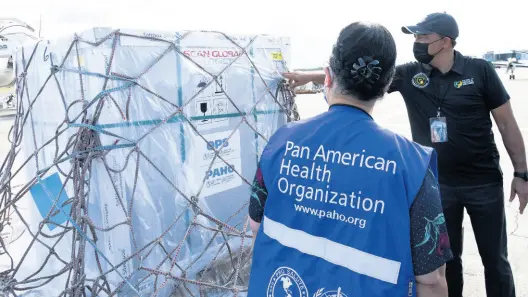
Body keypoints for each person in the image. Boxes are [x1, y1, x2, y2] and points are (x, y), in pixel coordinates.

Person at [283, 12, 528, 297]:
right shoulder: (411, 74)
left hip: (483, 184)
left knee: (495, 261)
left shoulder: (480, 71)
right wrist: (306, 77)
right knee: (449, 263)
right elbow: (358, 74)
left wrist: (521, 173)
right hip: (437, 186)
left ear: (445, 42)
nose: (417, 42)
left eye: (423, 37)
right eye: (415, 37)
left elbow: (507, 123)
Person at [247, 22, 452, 297]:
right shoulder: (412, 165)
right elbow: (431, 280)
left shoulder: (280, 142)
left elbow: (256, 225)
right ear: (386, 85)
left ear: (328, 76)